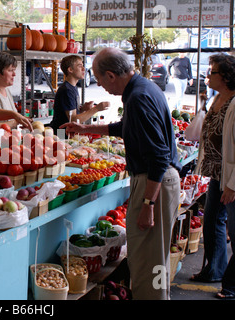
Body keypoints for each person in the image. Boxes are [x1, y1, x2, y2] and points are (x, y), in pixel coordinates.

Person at [60, 48, 182, 300]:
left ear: (111, 75)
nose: (100, 86)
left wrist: (148, 203)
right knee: (152, 257)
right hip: (159, 180)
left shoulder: (137, 97)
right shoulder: (144, 88)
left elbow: (159, 156)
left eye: (100, 79)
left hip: (155, 182)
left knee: (149, 261)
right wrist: (85, 127)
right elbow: (126, 127)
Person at [186, 54, 235, 298]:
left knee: (234, 231)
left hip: (231, 178)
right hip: (216, 173)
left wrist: (233, 184)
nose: (207, 76)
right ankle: (214, 270)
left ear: (225, 76)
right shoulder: (217, 98)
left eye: (212, 72)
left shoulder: (234, 102)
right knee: (213, 221)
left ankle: (232, 286)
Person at [49, 55, 108, 135]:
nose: (84, 69)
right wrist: (96, 109)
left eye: (83, 66)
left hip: (66, 132)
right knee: (63, 147)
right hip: (60, 133)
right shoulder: (67, 90)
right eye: (80, 66)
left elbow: (69, 113)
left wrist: (82, 109)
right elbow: (73, 119)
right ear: (70, 70)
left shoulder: (72, 87)